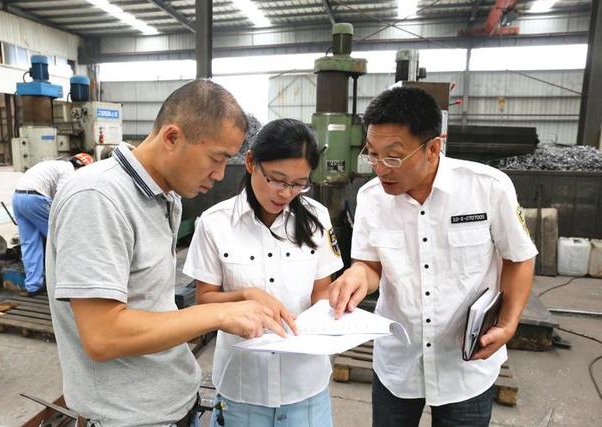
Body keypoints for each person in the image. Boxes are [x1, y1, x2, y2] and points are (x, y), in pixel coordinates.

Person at [46, 80, 287, 426]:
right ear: (172, 137)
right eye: (216, 159)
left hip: (172, 401)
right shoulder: (97, 197)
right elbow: (102, 335)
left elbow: (150, 304)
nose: (220, 175)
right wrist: (218, 315)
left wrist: (240, 298)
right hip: (129, 418)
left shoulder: (165, 196)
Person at [328, 87, 538, 427]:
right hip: (399, 361)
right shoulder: (371, 198)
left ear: (433, 148)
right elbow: (370, 265)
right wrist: (356, 276)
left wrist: (508, 323)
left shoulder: (488, 187)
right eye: (373, 155)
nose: (380, 169)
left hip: (465, 365)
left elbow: (519, 258)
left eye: (393, 157)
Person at [183, 118, 343, 427]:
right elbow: (204, 301)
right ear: (251, 162)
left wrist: (331, 318)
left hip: (305, 387)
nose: (286, 193)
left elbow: (321, 291)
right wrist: (245, 296)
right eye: (277, 179)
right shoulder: (215, 223)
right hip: (242, 391)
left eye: (298, 183)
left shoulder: (317, 218)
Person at [12, 153, 93, 296]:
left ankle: (33, 286)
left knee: (30, 244)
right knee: (63, 238)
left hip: (18, 198)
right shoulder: (69, 171)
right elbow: (63, 197)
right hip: (35, 199)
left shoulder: (56, 165)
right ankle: (71, 282)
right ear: (82, 168)